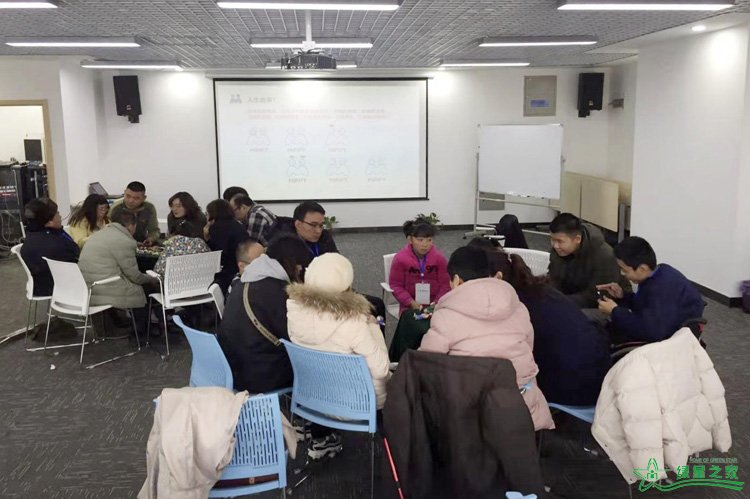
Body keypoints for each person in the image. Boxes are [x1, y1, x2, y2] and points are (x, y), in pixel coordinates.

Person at [418, 246, 554, 431]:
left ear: (456, 280)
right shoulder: (518, 307)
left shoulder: (445, 316)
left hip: (470, 414)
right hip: (522, 407)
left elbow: (426, 363)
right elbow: (528, 348)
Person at [470, 238, 610, 406]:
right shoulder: (540, 290)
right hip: (601, 375)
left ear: (496, 277)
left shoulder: (514, 306)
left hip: (574, 388)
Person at [287, 253, 391, 457]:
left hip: (313, 399)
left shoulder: (294, 312)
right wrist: (373, 328)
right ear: (346, 285)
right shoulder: (354, 322)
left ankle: (322, 438)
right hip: (357, 404)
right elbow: (381, 370)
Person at [218, 235, 309, 395]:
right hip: (259, 377)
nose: (301, 269)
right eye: (299, 264)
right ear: (289, 263)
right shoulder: (278, 291)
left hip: (233, 369)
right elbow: (297, 338)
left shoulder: (242, 282)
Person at [597, 236, 705, 344]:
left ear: (642, 269)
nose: (622, 273)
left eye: (625, 270)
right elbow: (644, 305)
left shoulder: (662, 289)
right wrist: (623, 296)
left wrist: (614, 311)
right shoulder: (657, 273)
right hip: (661, 327)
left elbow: (651, 333)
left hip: (669, 340)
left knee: (604, 334)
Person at [78, 211, 159, 336]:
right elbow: (134, 276)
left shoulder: (99, 234)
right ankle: (142, 330)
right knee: (144, 288)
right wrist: (152, 279)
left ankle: (121, 324)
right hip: (104, 287)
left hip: (87, 286)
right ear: (131, 226)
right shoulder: (125, 241)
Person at [548, 212, 629, 309]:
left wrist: (560, 302)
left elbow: (597, 295)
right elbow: (554, 278)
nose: (555, 245)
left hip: (605, 306)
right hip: (572, 298)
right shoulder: (559, 250)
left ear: (577, 239)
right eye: (552, 239)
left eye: (560, 241)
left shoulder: (604, 255)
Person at [20, 198, 80, 297]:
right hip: (60, 287)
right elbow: (77, 255)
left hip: (38, 286)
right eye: (57, 213)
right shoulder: (57, 242)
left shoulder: (31, 235)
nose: (60, 216)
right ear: (50, 222)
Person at [389, 220, 451, 315]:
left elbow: (446, 284)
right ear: (410, 240)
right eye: (420, 240)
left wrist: (436, 303)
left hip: (436, 306)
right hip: (409, 306)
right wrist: (410, 302)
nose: (425, 244)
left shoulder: (439, 259)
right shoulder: (400, 259)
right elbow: (396, 285)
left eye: (429, 240)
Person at [204, 199, 250, 293]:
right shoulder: (238, 224)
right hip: (244, 264)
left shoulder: (216, 228)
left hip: (229, 269)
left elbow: (216, 253)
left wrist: (206, 237)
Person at [109, 181, 160, 245]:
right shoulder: (115, 208)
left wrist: (150, 239)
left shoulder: (149, 208)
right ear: (124, 193)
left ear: (144, 198)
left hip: (141, 242)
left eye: (136, 198)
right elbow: (106, 230)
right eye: (128, 196)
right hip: (117, 242)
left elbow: (154, 230)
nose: (131, 201)